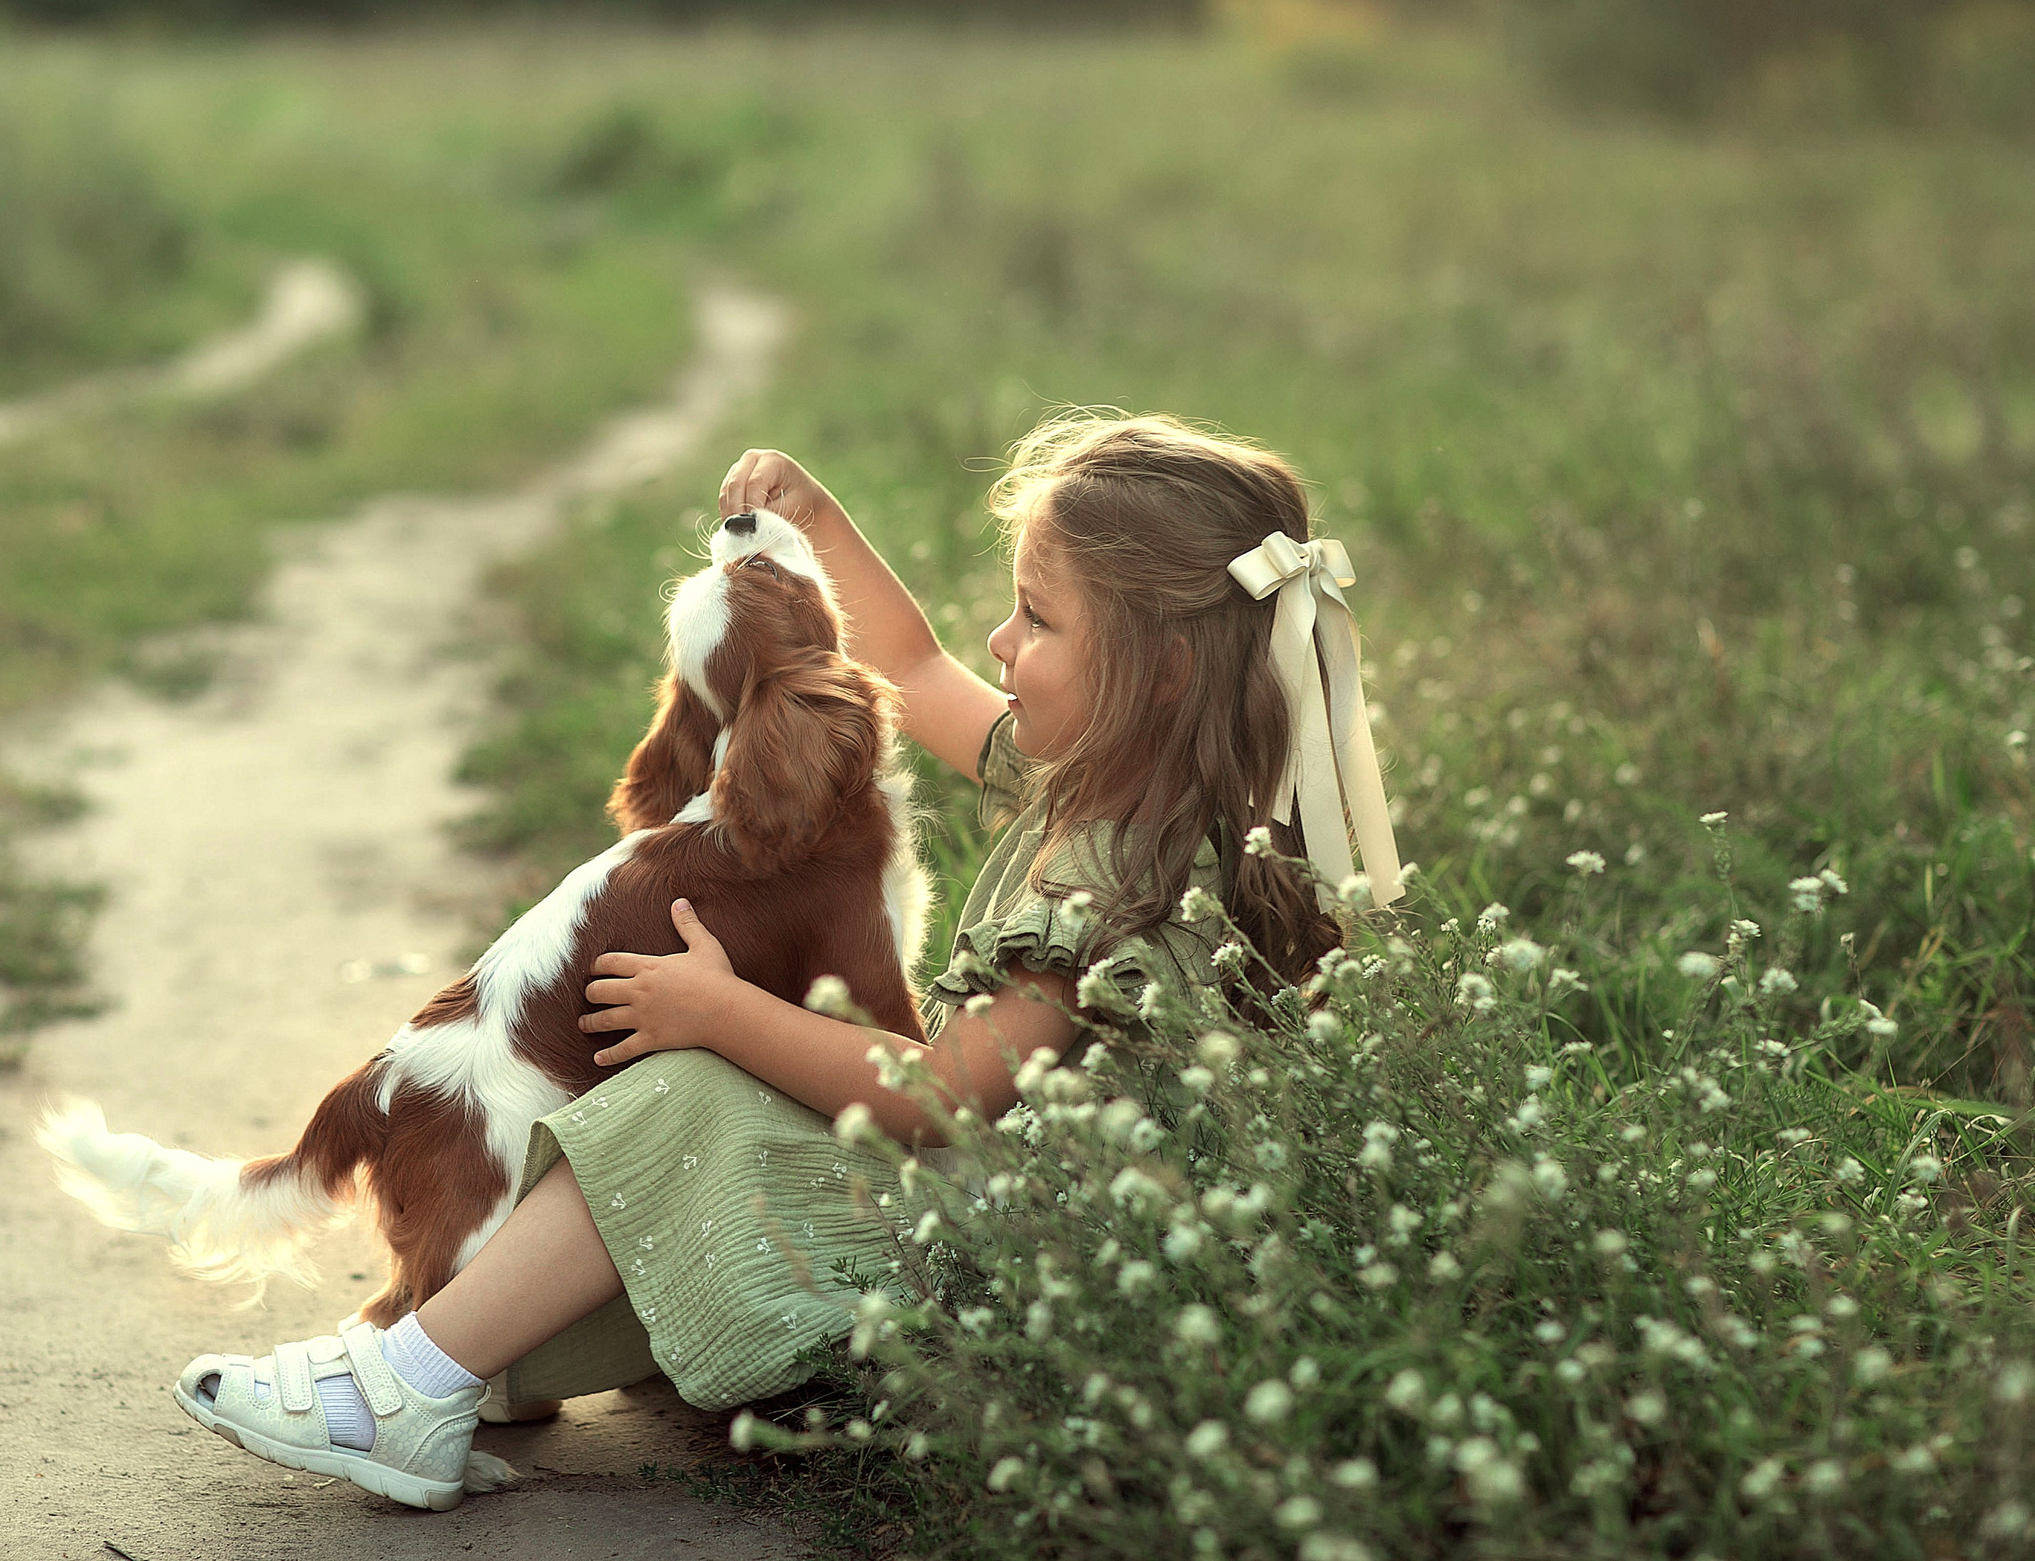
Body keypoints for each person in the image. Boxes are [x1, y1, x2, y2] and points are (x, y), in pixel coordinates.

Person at [168, 414, 1402, 1510]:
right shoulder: (1096, 779)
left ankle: (406, 1389)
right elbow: (909, 668)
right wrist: (808, 519)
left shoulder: (1120, 883)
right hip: (979, 1215)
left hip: (989, 1273)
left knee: (689, 1095)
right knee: (686, 1099)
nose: (998, 636)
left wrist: (717, 1012)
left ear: (1162, 669)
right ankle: (460, 1353)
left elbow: (945, 1093)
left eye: (1036, 618)